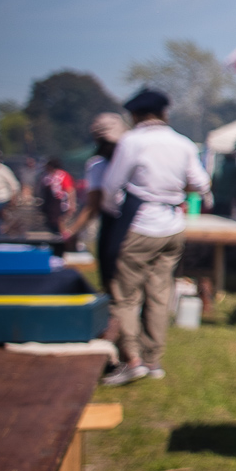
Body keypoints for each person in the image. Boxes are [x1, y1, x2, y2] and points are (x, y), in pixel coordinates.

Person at [99, 89, 210, 386]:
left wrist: (116, 213)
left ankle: (132, 359)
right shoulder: (183, 143)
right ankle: (153, 360)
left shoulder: (132, 141)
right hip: (172, 226)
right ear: (164, 113)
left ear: (135, 115)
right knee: (159, 295)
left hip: (140, 224)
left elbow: (111, 186)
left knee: (125, 295)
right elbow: (201, 183)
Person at [62, 113, 128, 345]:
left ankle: (124, 341)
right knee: (114, 287)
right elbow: (93, 206)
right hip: (114, 225)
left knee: (122, 289)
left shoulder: (131, 159)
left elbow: (92, 207)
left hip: (133, 226)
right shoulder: (98, 165)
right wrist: (71, 231)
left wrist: (71, 231)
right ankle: (119, 339)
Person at [39, 157, 76, 238]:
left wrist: (72, 204)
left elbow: (70, 189)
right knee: (52, 223)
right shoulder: (46, 176)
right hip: (50, 204)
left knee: (61, 221)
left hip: (61, 203)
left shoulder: (62, 175)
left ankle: (65, 238)